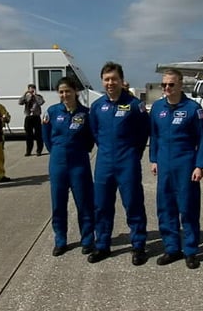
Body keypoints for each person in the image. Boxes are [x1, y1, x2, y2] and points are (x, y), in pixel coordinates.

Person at [87, 62, 150, 265]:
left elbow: (143, 132)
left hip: (127, 161)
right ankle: (102, 244)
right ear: (102, 81)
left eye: (114, 79)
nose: (110, 83)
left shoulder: (134, 105)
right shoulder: (97, 107)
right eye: (107, 79)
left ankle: (139, 245)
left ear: (122, 80)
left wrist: (133, 153)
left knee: (133, 203)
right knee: (102, 205)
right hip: (104, 162)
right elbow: (95, 133)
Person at [149, 69, 203, 269]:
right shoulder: (157, 108)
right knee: (166, 208)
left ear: (181, 85)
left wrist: (200, 165)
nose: (167, 88)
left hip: (186, 164)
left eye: (171, 84)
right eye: (164, 85)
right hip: (164, 164)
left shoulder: (193, 109)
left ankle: (190, 250)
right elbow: (154, 136)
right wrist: (154, 159)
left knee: (188, 208)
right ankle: (172, 248)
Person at [42, 76, 95, 257]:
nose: (65, 95)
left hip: (79, 163)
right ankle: (60, 240)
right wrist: (57, 151)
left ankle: (87, 239)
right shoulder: (52, 112)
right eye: (61, 92)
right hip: (58, 163)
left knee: (84, 202)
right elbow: (47, 137)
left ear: (76, 92)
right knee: (58, 203)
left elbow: (90, 139)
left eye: (68, 91)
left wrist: (78, 150)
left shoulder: (86, 113)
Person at [18, 84, 45, 156]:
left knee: (38, 135)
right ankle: (28, 151)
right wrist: (25, 94)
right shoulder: (26, 97)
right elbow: (20, 102)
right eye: (30, 89)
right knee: (28, 135)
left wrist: (35, 96)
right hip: (28, 117)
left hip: (36, 116)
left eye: (33, 89)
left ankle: (39, 150)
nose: (31, 90)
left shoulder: (38, 97)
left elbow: (41, 102)